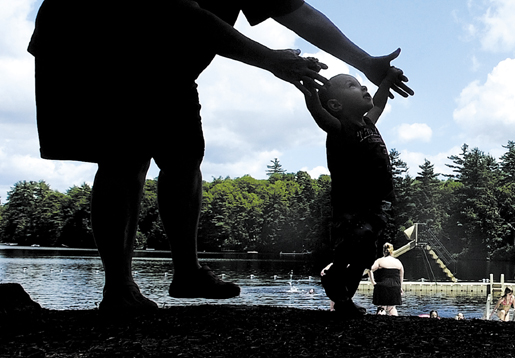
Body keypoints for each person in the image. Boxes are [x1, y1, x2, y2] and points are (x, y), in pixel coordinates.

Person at [28, 0, 412, 311]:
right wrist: (271, 60)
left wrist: (367, 63)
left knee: (184, 152)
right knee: (123, 155)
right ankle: (119, 288)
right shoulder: (341, 126)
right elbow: (185, 15)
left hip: (161, 56)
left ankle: (186, 272)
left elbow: (299, 13)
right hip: (91, 35)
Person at [302, 67, 404, 317]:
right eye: (352, 86)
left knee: (366, 256)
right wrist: (309, 90)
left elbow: (379, 103)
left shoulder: (368, 123)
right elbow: (318, 112)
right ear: (336, 105)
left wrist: (387, 80)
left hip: (376, 204)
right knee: (350, 245)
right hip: (351, 204)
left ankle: (344, 297)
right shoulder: (339, 127)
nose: (363, 88)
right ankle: (336, 273)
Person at [368, 243, 404, 316]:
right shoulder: (398, 262)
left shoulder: (380, 261)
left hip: (382, 286)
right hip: (395, 286)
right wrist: (400, 287)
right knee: (392, 308)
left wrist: (373, 282)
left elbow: (369, 269)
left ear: (383, 251)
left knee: (382, 307)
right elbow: (401, 277)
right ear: (392, 251)